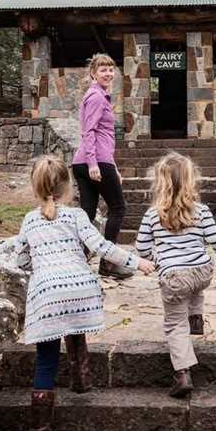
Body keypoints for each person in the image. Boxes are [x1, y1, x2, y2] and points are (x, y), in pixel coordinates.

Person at [14, 155, 155, 431]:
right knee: (73, 317)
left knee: (46, 360)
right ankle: (82, 376)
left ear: (36, 188)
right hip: (79, 288)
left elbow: (21, 260)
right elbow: (102, 246)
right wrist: (137, 261)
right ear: (68, 187)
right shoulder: (77, 217)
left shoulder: (29, 220)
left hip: (47, 292)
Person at [135, 153, 216, 399]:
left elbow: (141, 248)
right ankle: (196, 316)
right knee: (195, 279)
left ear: (160, 182)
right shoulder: (201, 210)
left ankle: (182, 373)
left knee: (175, 326)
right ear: (191, 181)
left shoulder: (152, 215)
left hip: (174, 277)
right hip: (202, 271)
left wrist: (154, 258)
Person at [72, 53, 130, 280]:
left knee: (87, 214)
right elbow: (89, 132)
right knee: (118, 208)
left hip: (85, 161)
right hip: (94, 161)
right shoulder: (96, 97)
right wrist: (95, 164)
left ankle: (77, 261)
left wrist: (112, 166)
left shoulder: (97, 95)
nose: (108, 73)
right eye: (103, 70)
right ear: (93, 73)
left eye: (111, 69)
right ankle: (109, 264)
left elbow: (103, 137)